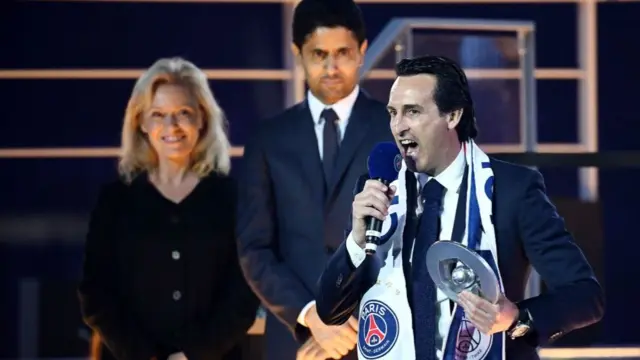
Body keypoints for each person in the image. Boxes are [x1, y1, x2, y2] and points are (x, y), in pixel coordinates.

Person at [315, 55, 604, 360]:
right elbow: (331, 312)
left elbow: (585, 296)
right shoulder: (377, 189)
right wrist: (356, 243)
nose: (398, 126)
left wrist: (515, 319)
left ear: (452, 117)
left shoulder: (512, 190)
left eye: (412, 112)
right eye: (393, 113)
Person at [235, 0, 393, 359]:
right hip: (297, 341)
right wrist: (312, 316)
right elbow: (254, 248)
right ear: (298, 53)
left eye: (342, 53)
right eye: (318, 53)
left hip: (379, 334)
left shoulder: (398, 130)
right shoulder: (267, 140)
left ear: (362, 51)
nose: (331, 66)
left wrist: (350, 320)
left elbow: (414, 238)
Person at [77, 57, 260, 360]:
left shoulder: (233, 199)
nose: (171, 126)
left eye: (183, 113)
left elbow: (243, 295)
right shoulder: (115, 201)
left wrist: (193, 355)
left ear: (202, 119)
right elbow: (95, 294)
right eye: (158, 114)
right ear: (142, 123)